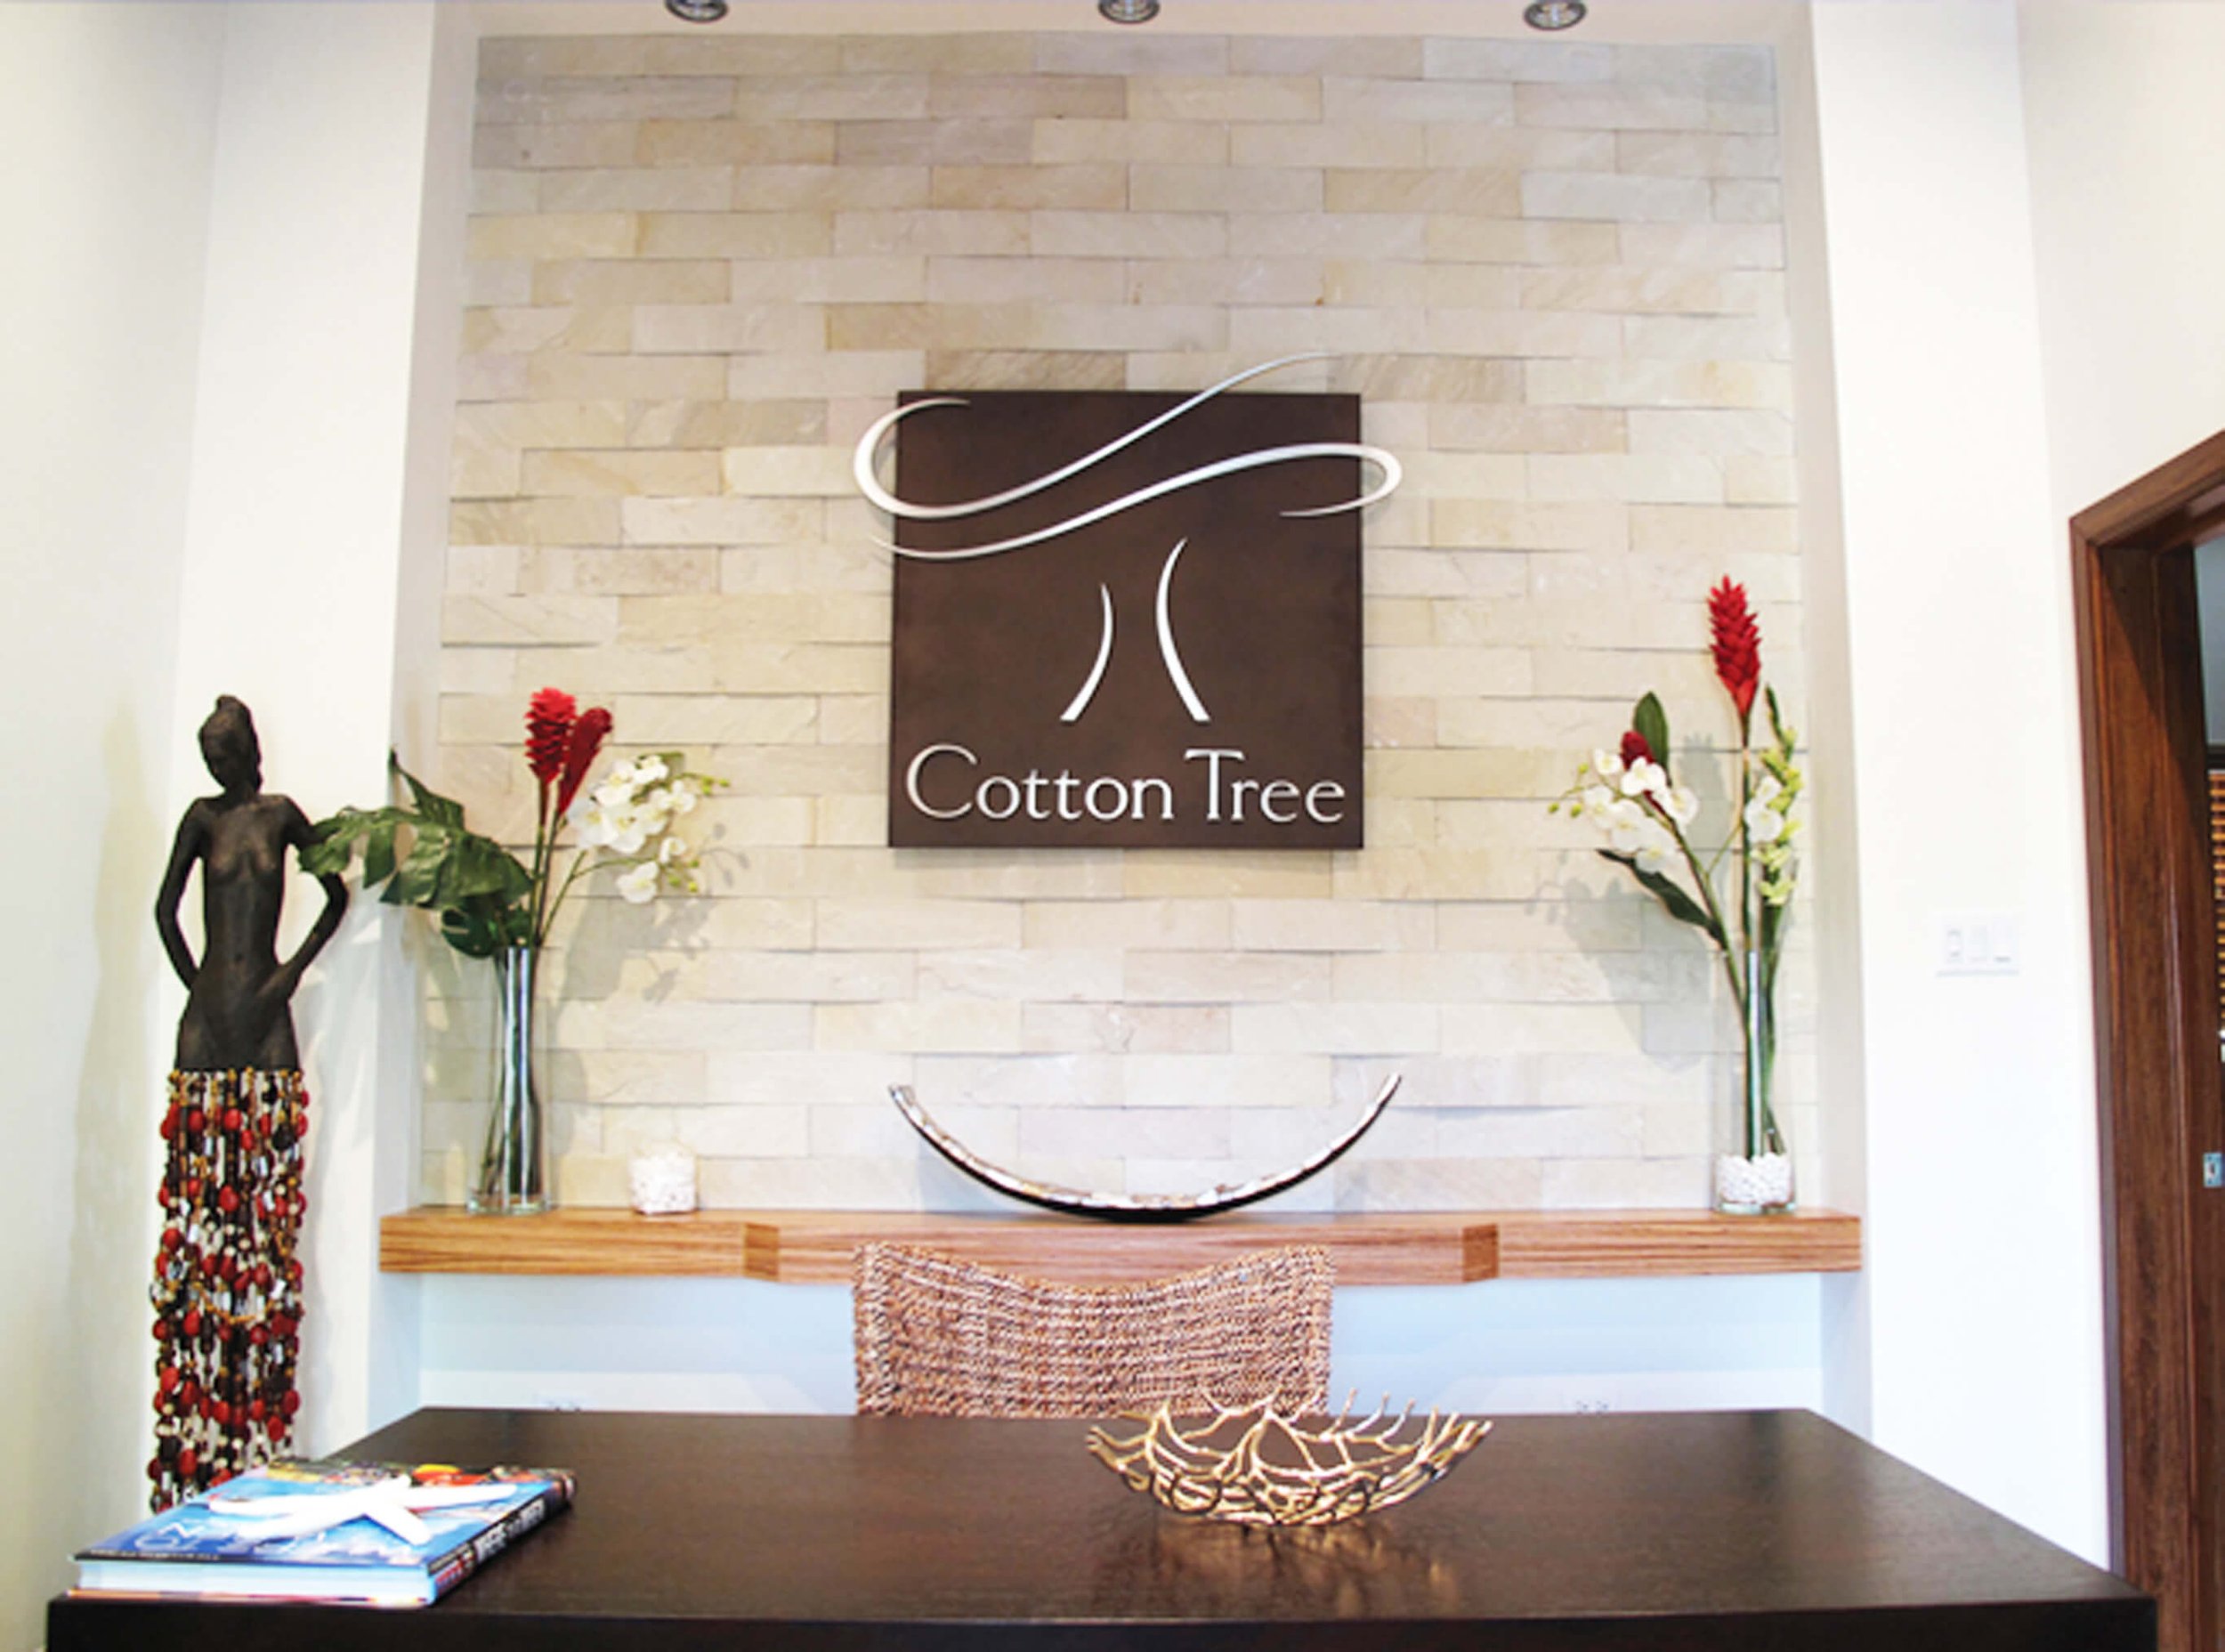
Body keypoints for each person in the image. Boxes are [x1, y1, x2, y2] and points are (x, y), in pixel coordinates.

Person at [155, 696, 346, 1072]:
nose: (215, 770)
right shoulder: (203, 818)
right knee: (191, 1126)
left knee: (279, 1125)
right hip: (211, 998)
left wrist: (292, 971)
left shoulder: (280, 815)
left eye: (222, 759)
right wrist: (196, 985)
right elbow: (164, 912)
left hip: (266, 992)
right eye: (209, 761)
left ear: (244, 752)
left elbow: (336, 897)